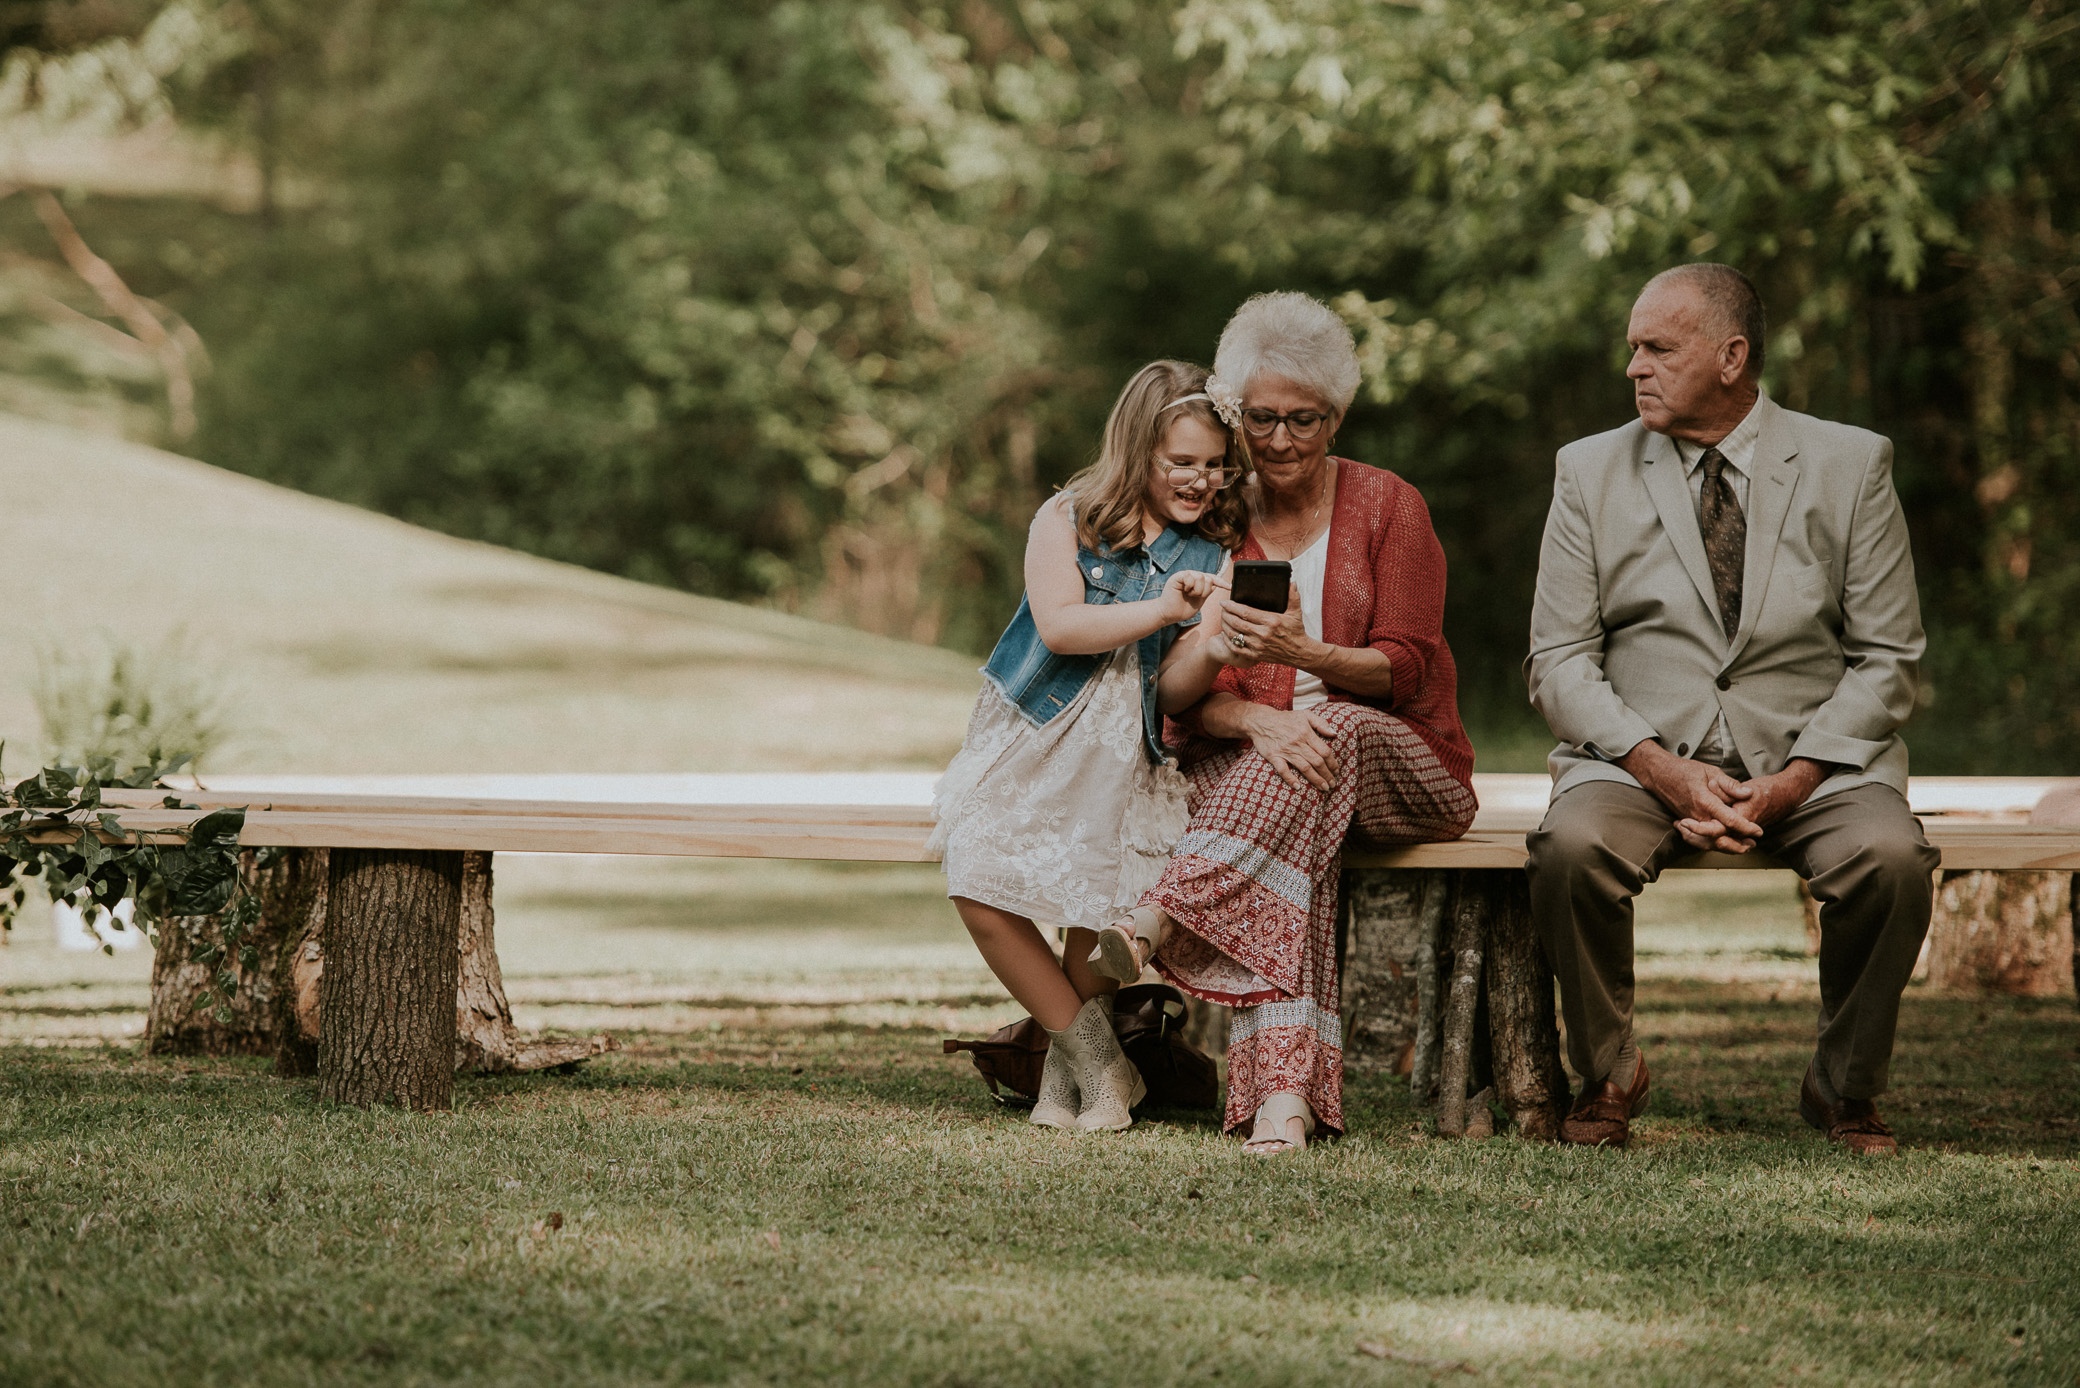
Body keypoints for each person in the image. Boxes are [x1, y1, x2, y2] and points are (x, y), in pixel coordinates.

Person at [1524, 263, 1935, 1155]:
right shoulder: (1588, 470)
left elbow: (1889, 657)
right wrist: (1655, 767)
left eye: (1657, 348)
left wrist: (1793, 780)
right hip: (1637, 758)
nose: (1634, 366)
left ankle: (1843, 1085)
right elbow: (1557, 660)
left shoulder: (1849, 462)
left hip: (1813, 760)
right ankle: (1608, 1069)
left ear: (1731, 356)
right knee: (1570, 847)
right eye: (1632, 348)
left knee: (1894, 860)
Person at [1086, 292, 1478, 1155]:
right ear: (1236, 415)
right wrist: (1257, 722)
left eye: (1305, 419)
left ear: (1336, 418)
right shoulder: (1214, 520)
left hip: (1402, 759)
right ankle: (1284, 1106)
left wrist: (1306, 657)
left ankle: (1159, 919)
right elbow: (1172, 696)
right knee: (1296, 826)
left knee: (1328, 737)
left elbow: (1404, 671)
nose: (1280, 440)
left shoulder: (1390, 508)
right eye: (1260, 418)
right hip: (1259, 775)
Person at [931, 360, 1245, 1131]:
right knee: (976, 882)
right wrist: (1161, 606)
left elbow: (1170, 691)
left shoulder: (1214, 552)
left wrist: (1215, 643)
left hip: (1115, 753)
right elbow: (1061, 626)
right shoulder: (1064, 518)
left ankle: (1067, 1086)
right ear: (1138, 450)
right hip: (1032, 734)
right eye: (1182, 463)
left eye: (1214, 466)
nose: (1200, 481)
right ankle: (1103, 1061)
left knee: (1087, 909)